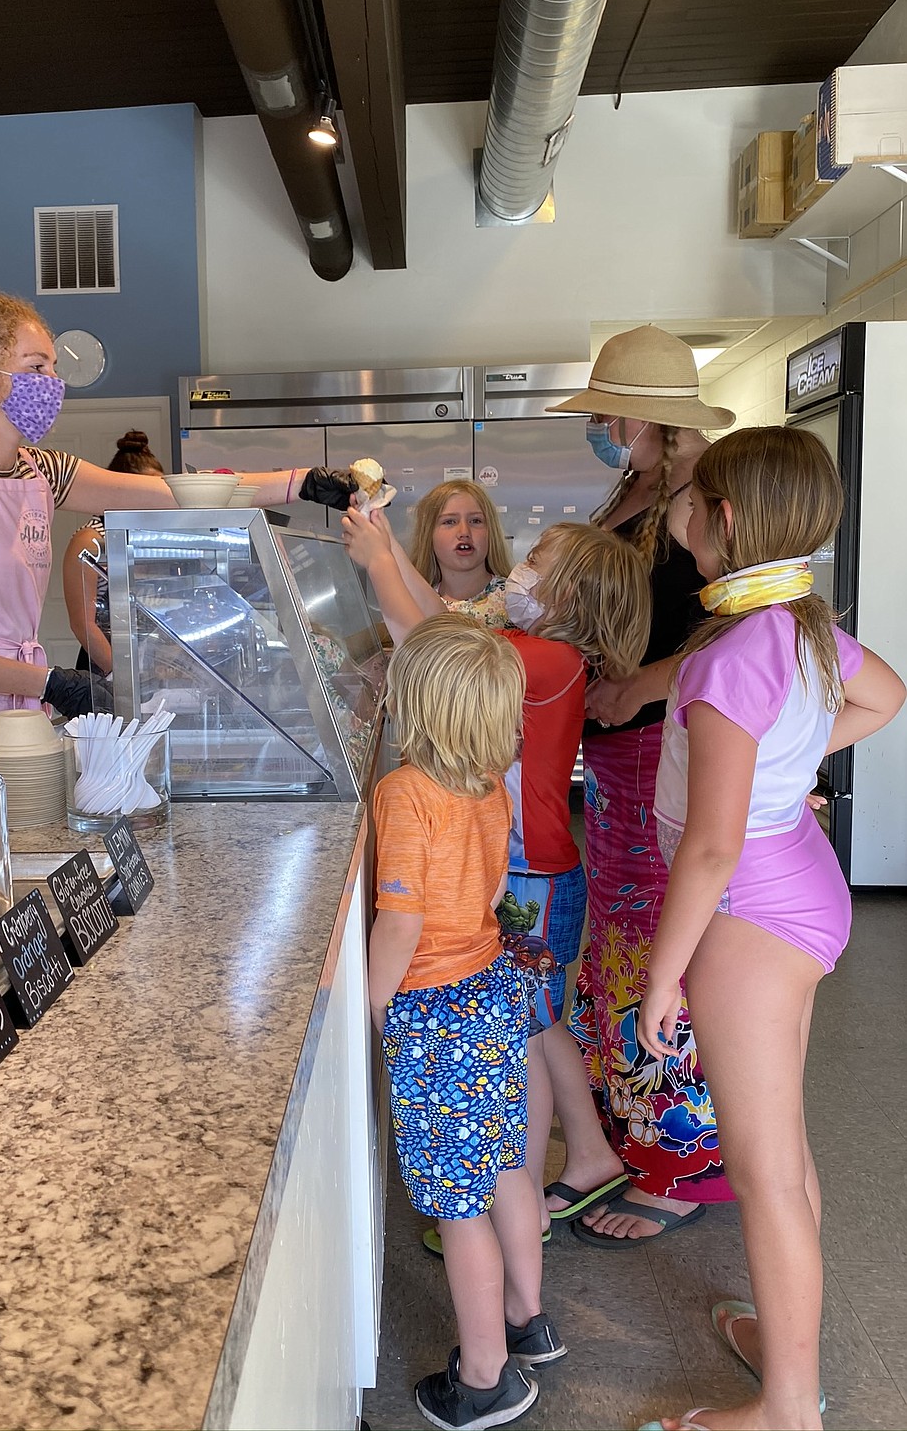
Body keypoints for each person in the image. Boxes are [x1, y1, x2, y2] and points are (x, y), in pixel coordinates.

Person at [635, 426, 904, 1431]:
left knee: (764, 1169)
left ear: (728, 521)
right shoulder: (798, 628)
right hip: (799, 880)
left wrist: (663, 978)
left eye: (695, 498)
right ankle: (785, 1350)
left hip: (749, 907)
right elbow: (887, 697)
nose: (681, 511)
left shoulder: (729, 658)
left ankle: (789, 1409)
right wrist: (785, 773)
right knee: (782, 1156)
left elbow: (707, 849)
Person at [345, 506, 650, 1246]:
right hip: (535, 870)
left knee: (524, 1033)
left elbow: (432, 650)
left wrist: (381, 562)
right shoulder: (536, 649)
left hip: (533, 878)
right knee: (533, 1029)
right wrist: (387, 549)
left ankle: (508, 1188)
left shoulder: (545, 658)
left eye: (539, 558)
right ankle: (565, 1163)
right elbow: (445, 633)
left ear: (569, 594)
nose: (523, 567)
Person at [0, 280, 353, 738]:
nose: (55, 384)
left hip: (8, 714)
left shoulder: (40, 470)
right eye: (37, 368)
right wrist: (47, 682)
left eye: (55, 368)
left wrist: (300, 483)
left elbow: (175, 493)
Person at [544, 324, 738, 1244]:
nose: (605, 426)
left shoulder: (706, 496)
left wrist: (636, 686)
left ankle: (686, 1167)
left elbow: (730, 631)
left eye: (613, 411)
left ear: (648, 415)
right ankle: (632, 1132)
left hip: (665, 742)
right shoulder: (639, 485)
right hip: (620, 752)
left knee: (663, 943)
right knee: (625, 944)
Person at [371, 613, 561, 1431]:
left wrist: (366, 1008)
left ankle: (485, 1379)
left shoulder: (406, 792)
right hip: (489, 994)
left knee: (458, 1202)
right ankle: (528, 1321)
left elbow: (402, 925)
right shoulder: (488, 786)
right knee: (509, 1166)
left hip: (435, 1011)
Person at [62, 430, 164, 675]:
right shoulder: (90, 540)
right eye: (148, 490)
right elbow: (82, 624)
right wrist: (121, 678)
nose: (157, 499)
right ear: (120, 489)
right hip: (104, 666)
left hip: (148, 660)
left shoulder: (150, 536)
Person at [407, 480, 513, 627]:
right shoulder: (415, 605)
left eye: (475, 521)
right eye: (450, 522)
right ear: (428, 535)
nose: (464, 532)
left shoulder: (516, 599)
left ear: (491, 532)